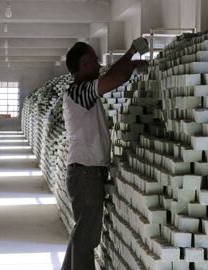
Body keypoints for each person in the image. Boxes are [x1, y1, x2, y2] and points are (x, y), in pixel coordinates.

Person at [61, 39, 149, 270]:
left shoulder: (82, 91)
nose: (99, 63)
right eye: (94, 60)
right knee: (85, 238)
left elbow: (109, 74)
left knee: (81, 233)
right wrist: (134, 62)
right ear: (82, 65)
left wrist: (130, 54)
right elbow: (114, 79)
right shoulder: (80, 92)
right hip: (86, 173)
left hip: (86, 172)